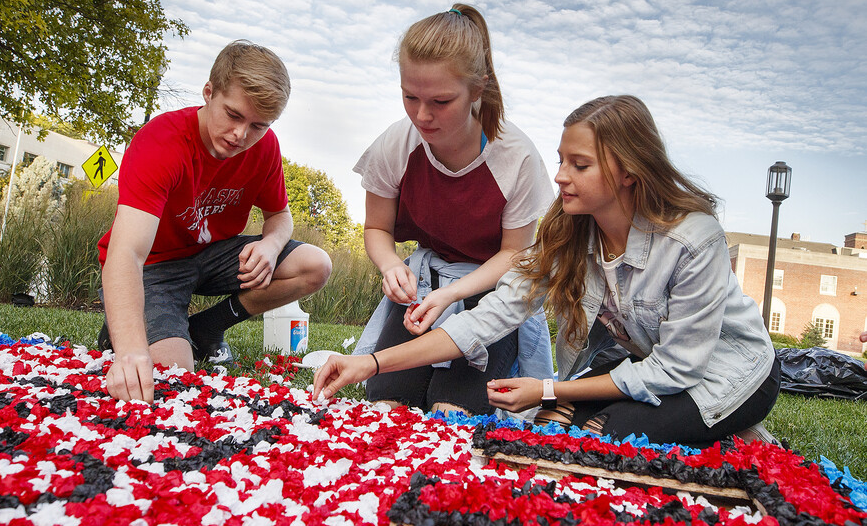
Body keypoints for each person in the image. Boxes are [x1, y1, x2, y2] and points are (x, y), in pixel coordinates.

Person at [317, 95, 781, 447]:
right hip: (648, 368)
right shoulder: (571, 232)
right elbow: (489, 316)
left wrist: (547, 388)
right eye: (562, 160)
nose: (559, 176)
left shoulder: (694, 239)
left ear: (629, 171)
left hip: (729, 375)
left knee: (607, 436)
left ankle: (735, 427)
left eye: (579, 164)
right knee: (552, 429)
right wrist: (370, 363)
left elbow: (677, 367)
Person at [99, 40, 332, 403]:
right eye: (234, 115)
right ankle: (124, 328)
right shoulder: (161, 143)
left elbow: (280, 215)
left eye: (258, 125)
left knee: (315, 265)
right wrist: (131, 351)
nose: (241, 136)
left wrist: (270, 246)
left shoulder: (264, 146)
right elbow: (126, 253)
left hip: (212, 255)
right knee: (174, 376)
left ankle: (208, 327)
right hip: (155, 267)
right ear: (208, 93)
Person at [352, 4, 555, 416]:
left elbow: (513, 254)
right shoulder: (397, 143)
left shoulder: (516, 158)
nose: (422, 115)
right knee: (389, 406)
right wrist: (391, 265)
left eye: (441, 101)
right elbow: (376, 227)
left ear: (478, 88)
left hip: (488, 294)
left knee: (452, 412)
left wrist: (454, 293)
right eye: (410, 97)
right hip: (423, 286)